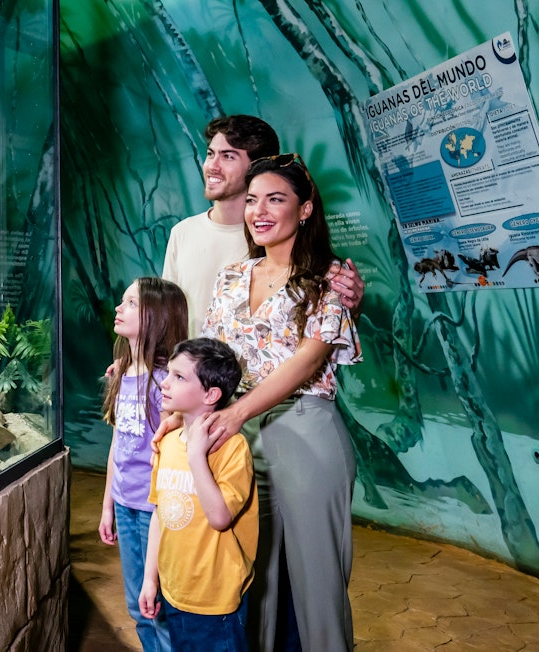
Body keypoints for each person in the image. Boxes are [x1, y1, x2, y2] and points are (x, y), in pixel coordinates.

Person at [199, 153, 362, 651]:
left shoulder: (329, 279)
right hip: (241, 440)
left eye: (276, 199)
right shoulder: (230, 277)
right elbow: (212, 357)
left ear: (306, 209)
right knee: (256, 581)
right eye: (252, 200)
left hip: (305, 433)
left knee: (319, 592)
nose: (260, 211)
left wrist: (235, 415)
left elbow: (308, 362)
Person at [162, 115, 364, 335]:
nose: (213, 166)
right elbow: (165, 317)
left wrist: (351, 307)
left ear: (259, 166)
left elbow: (319, 332)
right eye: (211, 154)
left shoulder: (278, 240)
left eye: (228, 156)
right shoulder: (182, 232)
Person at [138, 338, 256, 652]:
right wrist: (151, 579)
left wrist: (195, 457)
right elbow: (160, 516)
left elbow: (220, 518)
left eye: (179, 377)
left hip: (216, 602)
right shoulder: (167, 442)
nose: (165, 382)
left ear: (211, 394)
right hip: (174, 592)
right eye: (169, 373)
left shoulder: (232, 449)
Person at [99, 277, 189, 652]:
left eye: (131, 303)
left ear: (158, 315)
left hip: (156, 510)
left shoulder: (168, 383)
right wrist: (107, 506)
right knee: (139, 607)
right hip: (125, 505)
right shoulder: (122, 373)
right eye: (122, 301)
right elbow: (117, 445)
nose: (119, 308)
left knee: (160, 605)